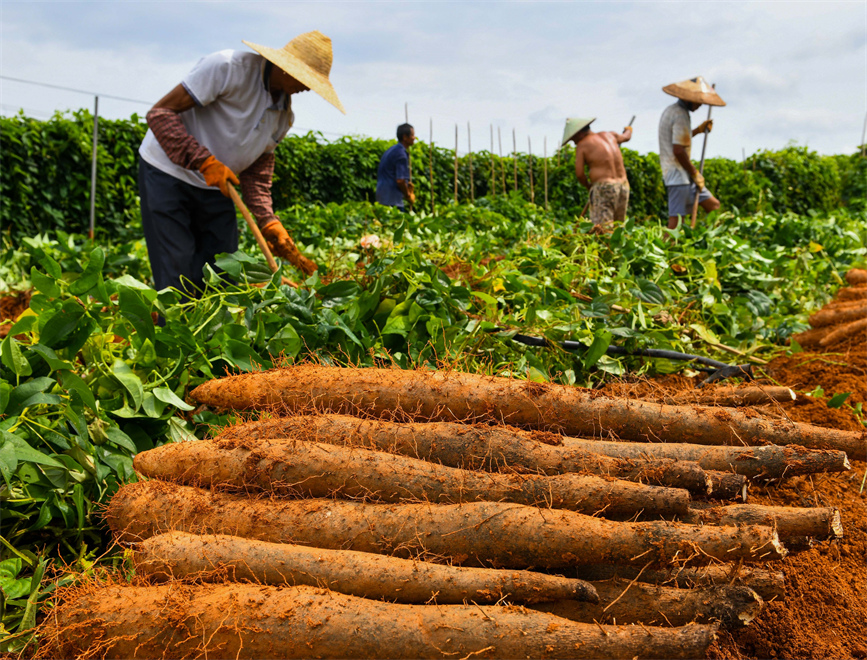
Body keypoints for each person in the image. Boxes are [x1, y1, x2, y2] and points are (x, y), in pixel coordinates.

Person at [138, 31, 344, 296]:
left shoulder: (283, 117)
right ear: (284, 67)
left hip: (218, 186)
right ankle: (174, 333)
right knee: (177, 271)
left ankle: (214, 336)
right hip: (168, 174)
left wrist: (268, 221)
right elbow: (160, 113)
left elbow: (257, 174)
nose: (308, 88)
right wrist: (203, 161)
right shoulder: (227, 68)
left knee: (224, 271)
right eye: (306, 79)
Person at [658, 76, 725, 230]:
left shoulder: (673, 111)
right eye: (698, 101)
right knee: (675, 225)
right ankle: (669, 250)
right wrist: (695, 173)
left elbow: (678, 141)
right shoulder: (680, 114)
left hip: (684, 177)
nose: (700, 105)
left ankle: (711, 241)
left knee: (714, 206)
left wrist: (698, 130)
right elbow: (678, 150)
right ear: (688, 99)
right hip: (678, 177)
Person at [563, 117, 633, 233]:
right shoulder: (610, 135)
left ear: (579, 133)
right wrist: (629, 129)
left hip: (604, 187)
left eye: (573, 138)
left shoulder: (583, 145)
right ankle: (618, 250)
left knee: (602, 229)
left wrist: (589, 186)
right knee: (618, 227)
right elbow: (626, 137)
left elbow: (579, 174)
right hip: (623, 186)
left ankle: (606, 250)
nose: (574, 142)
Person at [376, 124, 416, 210]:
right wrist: (408, 195)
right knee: (399, 222)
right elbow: (400, 180)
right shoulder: (401, 154)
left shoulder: (391, 150)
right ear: (405, 137)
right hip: (392, 200)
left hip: (382, 196)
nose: (414, 138)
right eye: (412, 135)